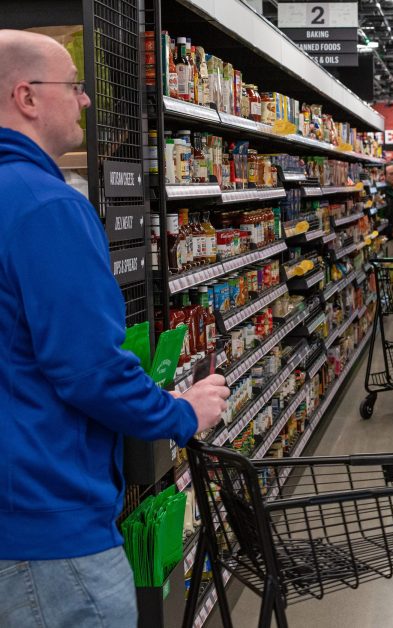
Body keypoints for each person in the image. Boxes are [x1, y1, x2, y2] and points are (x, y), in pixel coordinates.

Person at [0, 30, 229, 627]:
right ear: (26, 96)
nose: (86, 101)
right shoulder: (46, 204)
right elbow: (89, 369)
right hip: (48, 525)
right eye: (74, 86)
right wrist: (182, 413)